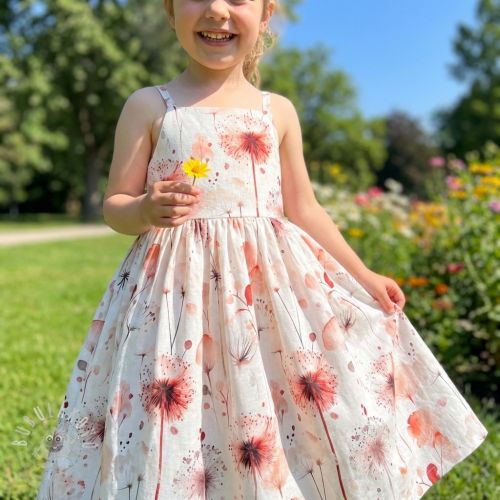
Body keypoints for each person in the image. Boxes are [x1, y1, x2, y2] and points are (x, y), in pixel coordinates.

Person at [37, 0, 488, 498]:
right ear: (169, 10)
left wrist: (364, 275)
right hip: (173, 300)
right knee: (175, 409)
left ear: (267, 13)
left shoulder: (277, 112)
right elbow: (115, 205)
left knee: (262, 406)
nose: (216, 10)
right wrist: (144, 208)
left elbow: (305, 208)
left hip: (262, 296)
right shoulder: (150, 106)